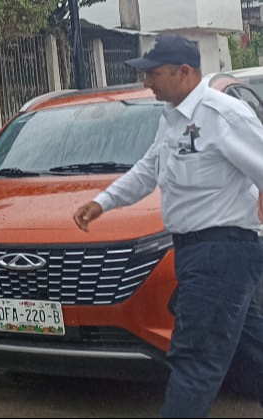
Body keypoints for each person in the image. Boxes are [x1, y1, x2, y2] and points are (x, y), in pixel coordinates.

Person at [72, 34, 263, 418]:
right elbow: (149, 169)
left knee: (194, 362)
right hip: (197, 254)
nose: (147, 83)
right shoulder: (172, 117)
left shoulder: (222, 115)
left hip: (222, 253)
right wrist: (102, 202)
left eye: (154, 74)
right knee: (254, 352)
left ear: (184, 72)